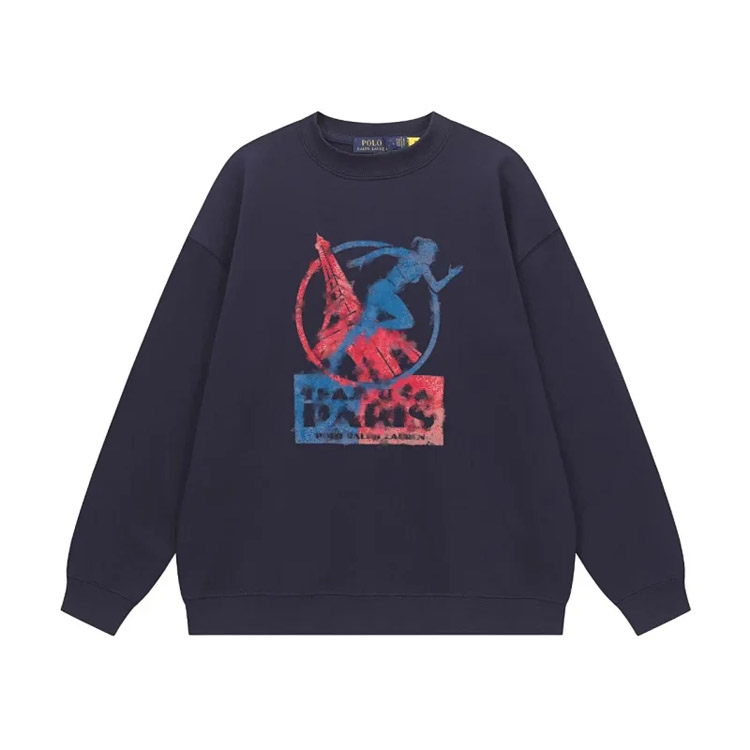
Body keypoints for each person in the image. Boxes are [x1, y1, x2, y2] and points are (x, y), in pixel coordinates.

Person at [327, 236, 463, 372]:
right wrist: (362, 260)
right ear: (425, 252)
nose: (433, 259)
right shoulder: (414, 260)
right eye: (432, 255)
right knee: (407, 321)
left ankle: (336, 357)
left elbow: (435, 287)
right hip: (385, 292)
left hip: (377, 289)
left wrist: (450, 276)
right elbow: (385, 251)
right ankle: (374, 328)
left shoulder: (419, 264)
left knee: (361, 328)